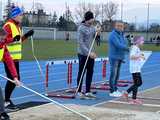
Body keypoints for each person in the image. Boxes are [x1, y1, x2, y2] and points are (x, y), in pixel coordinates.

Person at [3, 6, 34, 110]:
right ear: (15, 15)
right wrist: (12, 39)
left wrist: (26, 35)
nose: (22, 17)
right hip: (8, 57)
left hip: (15, 58)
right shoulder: (8, 25)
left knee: (15, 79)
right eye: (20, 15)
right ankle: (6, 101)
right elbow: (3, 40)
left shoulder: (17, 26)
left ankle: (7, 100)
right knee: (12, 79)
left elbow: (18, 40)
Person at [76, 11, 101, 99]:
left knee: (90, 72)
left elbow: (96, 37)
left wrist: (98, 32)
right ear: (88, 19)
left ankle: (88, 91)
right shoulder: (81, 28)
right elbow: (80, 43)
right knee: (81, 72)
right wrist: (88, 53)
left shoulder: (92, 27)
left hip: (91, 54)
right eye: (92, 18)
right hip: (83, 54)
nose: (93, 20)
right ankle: (79, 91)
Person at [108, 20, 129, 97]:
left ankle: (115, 89)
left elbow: (125, 43)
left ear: (123, 27)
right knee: (113, 74)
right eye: (118, 26)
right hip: (114, 57)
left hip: (120, 57)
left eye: (121, 26)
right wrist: (129, 48)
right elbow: (118, 45)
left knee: (117, 75)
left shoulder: (122, 35)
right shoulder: (113, 35)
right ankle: (112, 90)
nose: (120, 27)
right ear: (115, 26)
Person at [122, 36, 145, 104]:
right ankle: (127, 93)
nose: (143, 42)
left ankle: (133, 97)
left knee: (138, 83)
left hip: (137, 68)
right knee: (138, 83)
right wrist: (140, 56)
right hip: (134, 68)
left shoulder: (137, 48)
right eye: (142, 40)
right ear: (138, 41)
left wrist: (141, 56)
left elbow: (136, 56)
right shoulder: (135, 48)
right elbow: (131, 57)